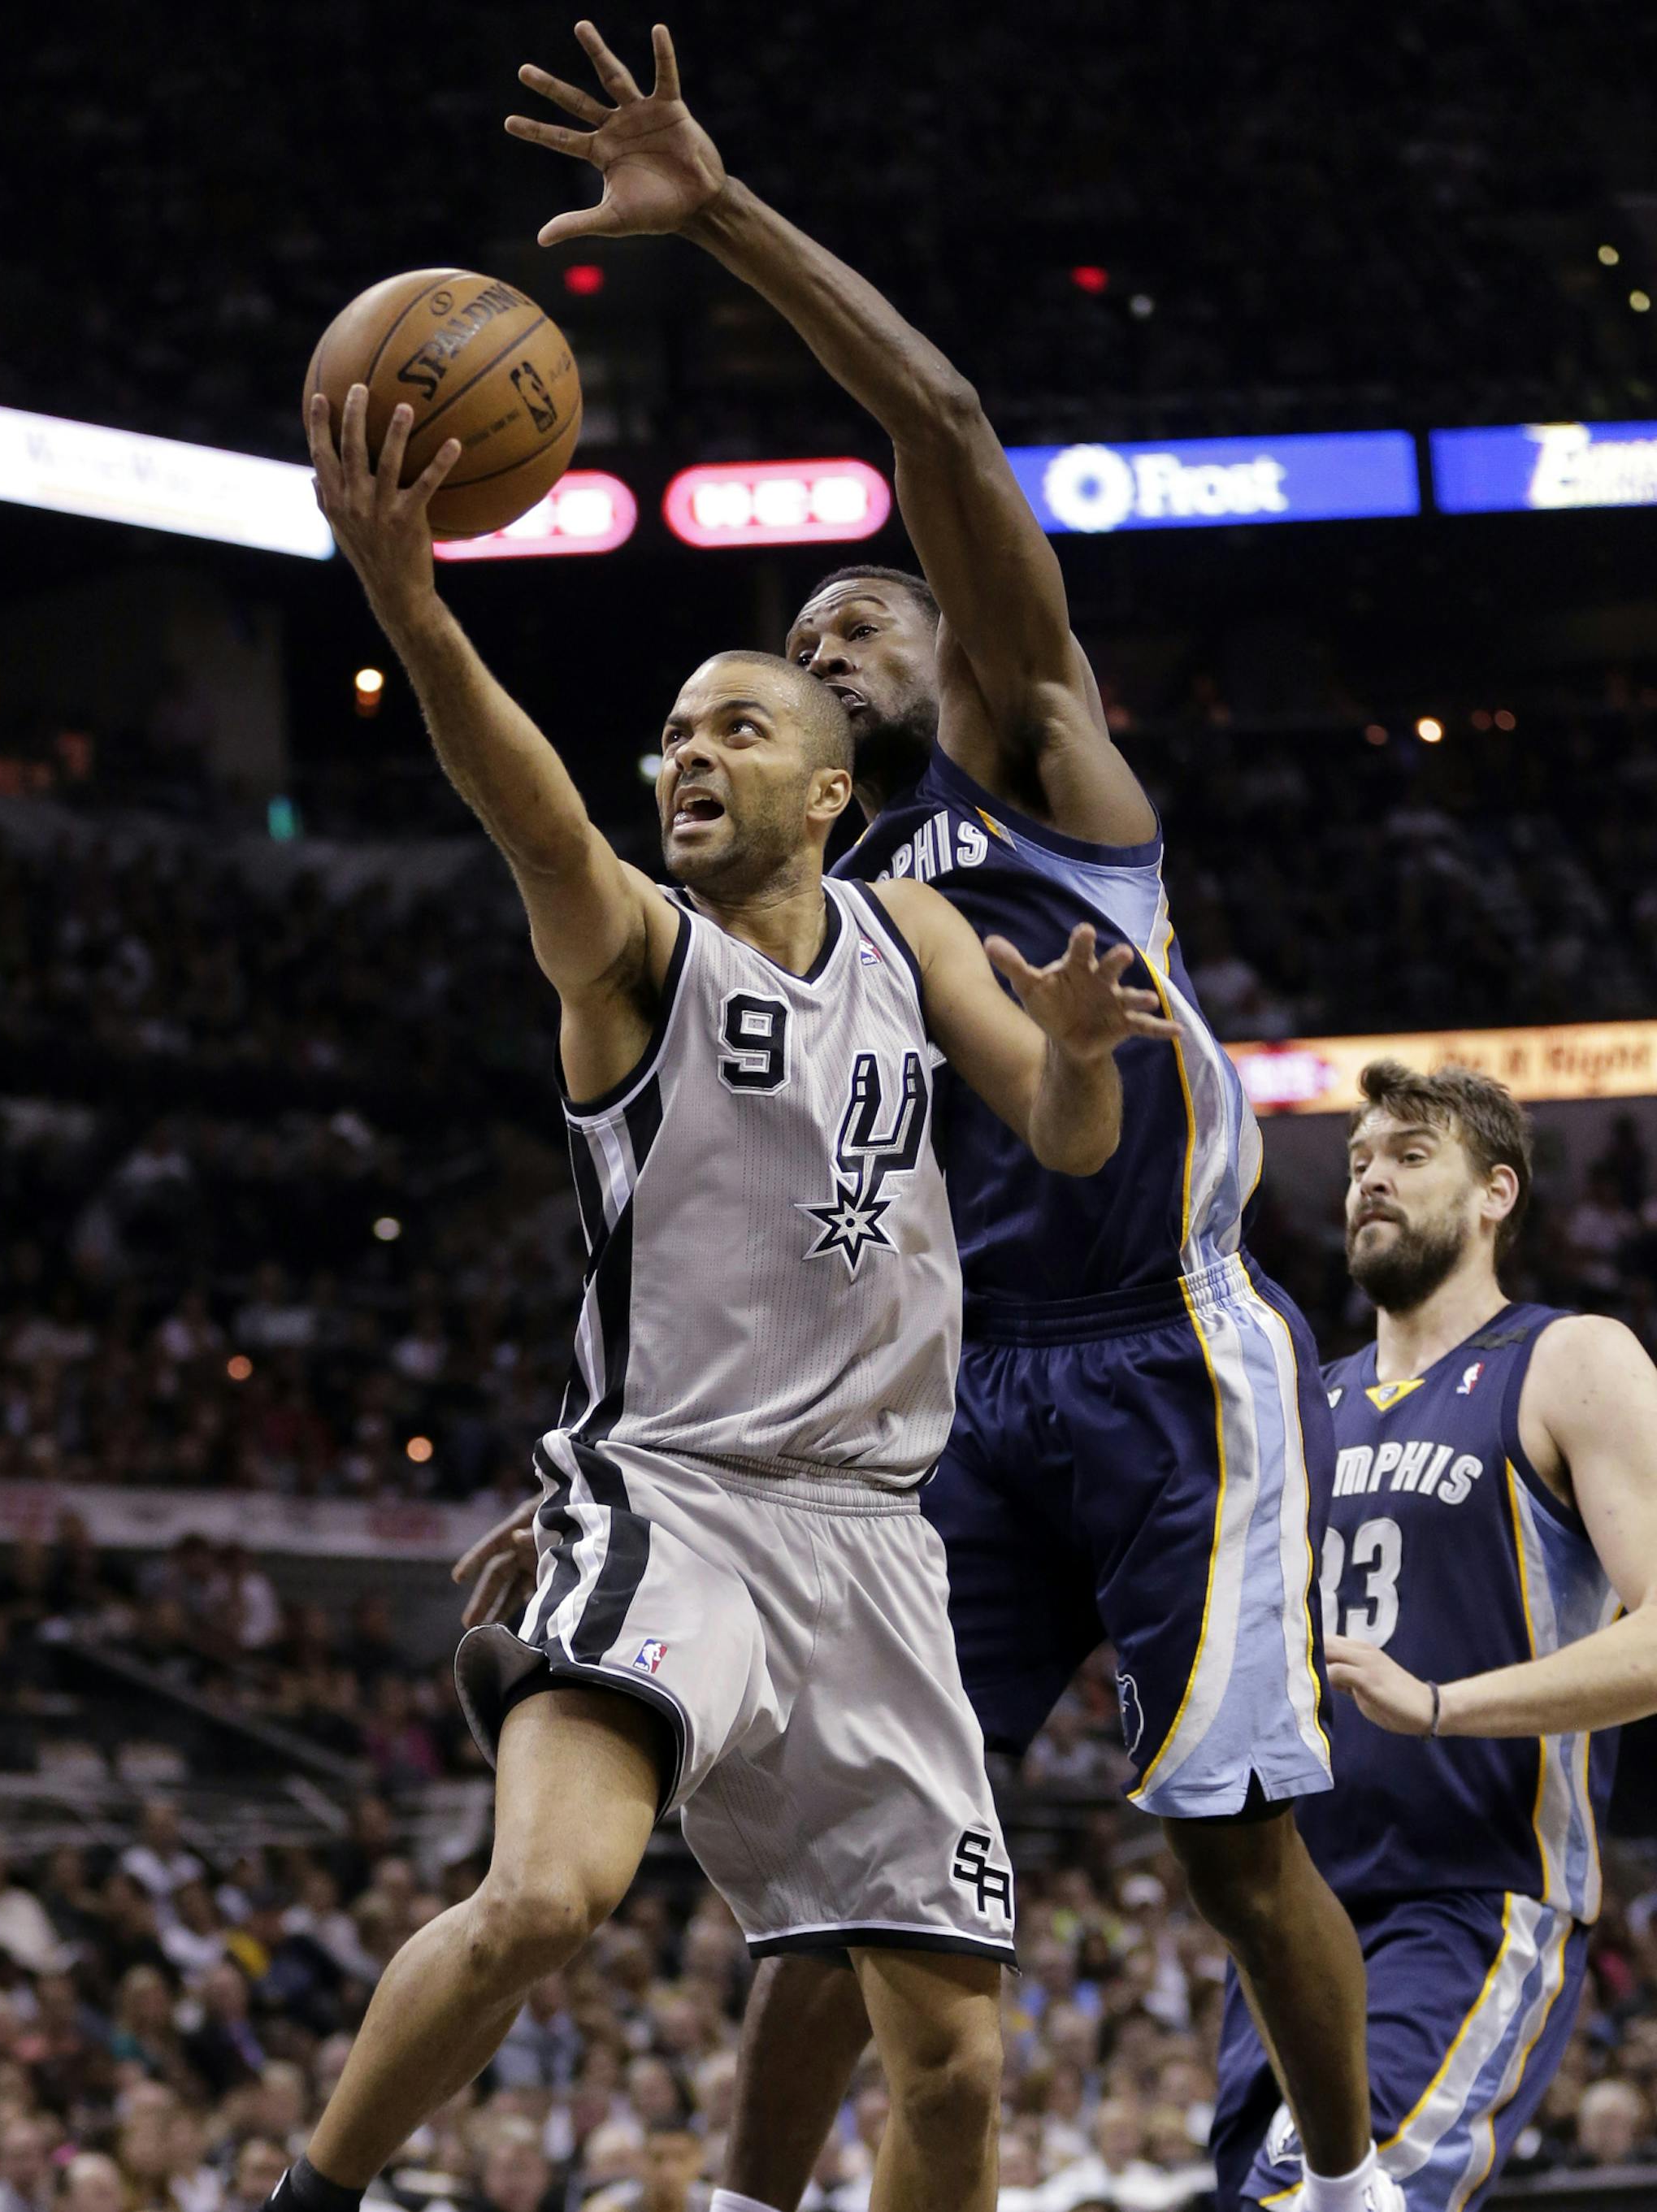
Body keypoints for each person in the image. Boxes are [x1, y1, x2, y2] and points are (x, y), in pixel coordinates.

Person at [501, 24, 1386, 2212]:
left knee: (1227, 1836)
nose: (836, 633)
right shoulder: (792, 922)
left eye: (867, 609)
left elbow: (945, 421)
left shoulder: (1046, 776)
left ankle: (1357, 2183)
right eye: (806, 636)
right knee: (860, 1882)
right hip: (937, 1411)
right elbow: (691, 1222)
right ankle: (750, 2198)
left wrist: (718, 221)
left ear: (948, 649)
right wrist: (611, 1474)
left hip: (1166, 1354)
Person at [271, 371, 1171, 2212]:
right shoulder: (629, 951)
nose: (686, 756)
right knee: (546, 1896)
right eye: (673, 733)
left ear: (830, 786)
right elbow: (528, 808)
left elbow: (1069, 1139)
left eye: (735, 729)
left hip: (879, 1536)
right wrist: (414, 606)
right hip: (675, 1497)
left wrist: (1084, 1051)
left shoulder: (914, 929)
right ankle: (311, 2195)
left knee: (957, 2069)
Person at [1212, 1061, 1657, 2207]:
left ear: (1497, 1191)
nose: (1372, 1179)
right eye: (1360, 1160)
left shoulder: (1571, 1359)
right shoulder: (1307, 1396)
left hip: (1467, 1897)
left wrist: (1446, 1703)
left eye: (1411, 1156)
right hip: (1291, 1904)